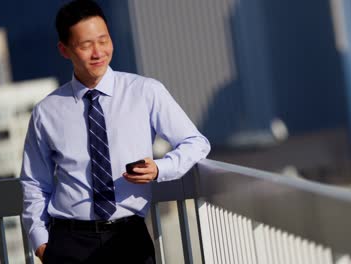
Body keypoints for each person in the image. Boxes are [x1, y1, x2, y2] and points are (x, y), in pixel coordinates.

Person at [19, 0, 211, 263]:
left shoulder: (145, 91)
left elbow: (196, 143)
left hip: (129, 238)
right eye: (86, 45)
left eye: (104, 40)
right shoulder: (47, 111)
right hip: (68, 243)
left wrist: (160, 168)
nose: (98, 52)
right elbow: (34, 182)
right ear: (64, 50)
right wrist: (41, 242)